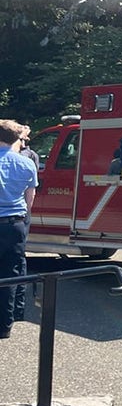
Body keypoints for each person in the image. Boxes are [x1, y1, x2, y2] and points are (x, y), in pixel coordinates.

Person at [0, 120, 38, 339]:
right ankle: (5, 325)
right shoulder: (27, 164)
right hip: (15, 224)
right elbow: (29, 200)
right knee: (11, 274)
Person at [13, 127, 39, 324]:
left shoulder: (29, 156)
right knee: (16, 262)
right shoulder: (28, 159)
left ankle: (17, 309)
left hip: (18, 215)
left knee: (17, 261)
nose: (24, 141)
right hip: (19, 216)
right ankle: (15, 310)